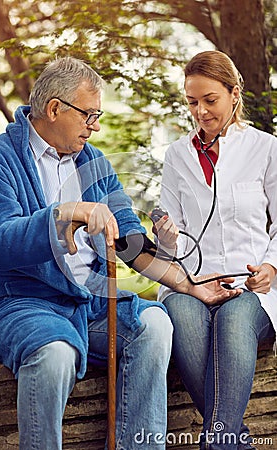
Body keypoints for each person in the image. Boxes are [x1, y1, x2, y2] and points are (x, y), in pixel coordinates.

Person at [0, 56, 240, 450]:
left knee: (155, 325)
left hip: (92, 302)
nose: (95, 125)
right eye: (89, 114)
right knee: (54, 354)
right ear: (54, 109)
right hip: (21, 303)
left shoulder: (93, 161)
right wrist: (64, 214)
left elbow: (130, 241)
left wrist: (189, 286)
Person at [154, 50, 277, 450]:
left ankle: (218, 441)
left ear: (234, 94)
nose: (201, 111)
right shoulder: (176, 155)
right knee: (179, 315)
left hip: (249, 287)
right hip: (192, 283)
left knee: (232, 323)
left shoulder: (265, 148)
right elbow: (171, 242)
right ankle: (229, 440)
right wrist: (167, 234)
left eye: (211, 100)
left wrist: (271, 267)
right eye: (192, 101)